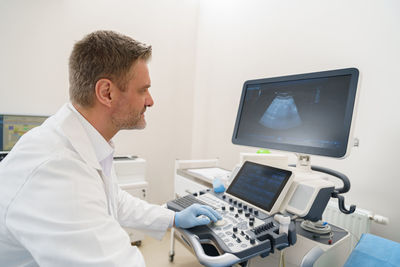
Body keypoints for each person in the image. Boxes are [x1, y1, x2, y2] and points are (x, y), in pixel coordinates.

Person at [0, 30, 221, 267]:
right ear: (107, 92)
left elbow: (115, 199)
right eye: (143, 89)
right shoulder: (58, 172)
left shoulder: (80, 140)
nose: (150, 100)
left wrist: (173, 218)